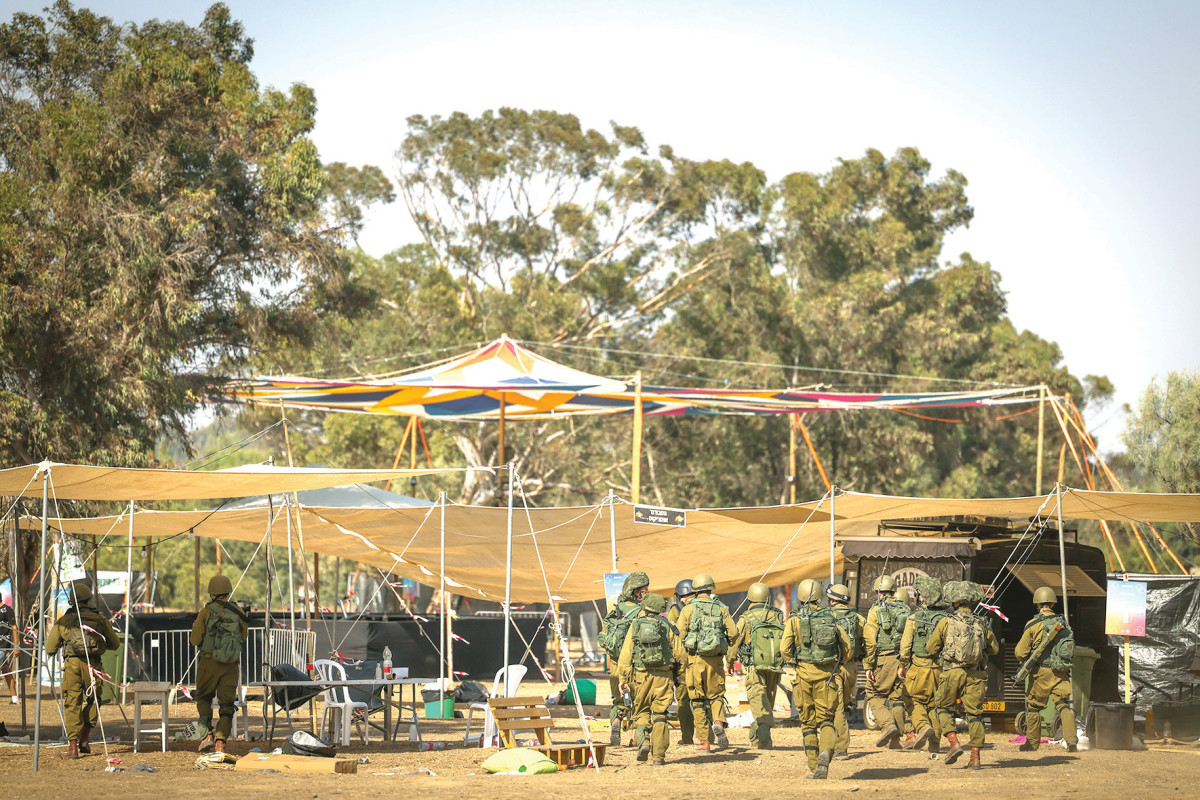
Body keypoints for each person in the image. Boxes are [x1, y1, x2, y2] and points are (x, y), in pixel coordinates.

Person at [926, 580, 1000, 770]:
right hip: (975, 675)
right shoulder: (981, 623)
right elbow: (994, 649)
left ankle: (954, 743)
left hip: (951, 672)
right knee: (975, 716)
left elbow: (931, 648)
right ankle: (975, 757)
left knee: (942, 708)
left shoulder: (946, 621)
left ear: (954, 602)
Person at [782, 579, 851, 779]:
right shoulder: (831, 618)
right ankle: (826, 752)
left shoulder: (794, 620)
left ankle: (814, 767)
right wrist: (837, 664)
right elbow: (846, 647)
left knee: (808, 723)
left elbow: (785, 649)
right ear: (819, 597)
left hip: (803, 677)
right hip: (827, 677)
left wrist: (795, 664)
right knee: (826, 719)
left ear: (801, 597)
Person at [45, 583, 119, 759]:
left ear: (72, 601)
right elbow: (115, 643)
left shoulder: (64, 621)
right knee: (94, 699)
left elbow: (49, 649)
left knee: (72, 703)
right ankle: (84, 738)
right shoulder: (99, 619)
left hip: (72, 666)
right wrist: (99, 647)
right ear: (88, 598)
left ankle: (73, 748)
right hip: (93, 666)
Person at [616, 592, 688, 765]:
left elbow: (626, 655)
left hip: (640, 676)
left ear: (645, 607)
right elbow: (681, 655)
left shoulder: (636, 625)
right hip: (664, 677)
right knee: (660, 715)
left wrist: (622, 679)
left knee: (641, 712)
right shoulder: (670, 626)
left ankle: (644, 742)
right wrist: (678, 674)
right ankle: (659, 757)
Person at [675, 573, 738, 751]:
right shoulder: (721, 608)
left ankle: (704, 742)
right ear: (711, 588)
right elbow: (733, 633)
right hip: (716, 661)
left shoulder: (688, 609)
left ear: (695, 590)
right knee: (716, 696)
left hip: (695, 660)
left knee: (697, 700)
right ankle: (718, 721)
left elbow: (679, 633)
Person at [1014, 586, 1078, 753]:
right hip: (1061, 672)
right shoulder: (1064, 625)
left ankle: (1032, 743)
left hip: (1041, 673)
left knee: (1034, 707)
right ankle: (1071, 740)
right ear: (1052, 604)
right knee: (1063, 705)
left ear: (1037, 604)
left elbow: (1020, 652)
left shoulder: (1033, 624)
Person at [192, 574, 249, 753]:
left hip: (209, 663)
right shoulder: (238, 611)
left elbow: (195, 640)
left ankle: (207, 734)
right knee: (226, 704)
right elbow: (243, 636)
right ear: (228, 590)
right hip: (231, 665)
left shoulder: (206, 612)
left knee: (203, 698)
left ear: (212, 592)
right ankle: (221, 741)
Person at [728, 582, 785, 749]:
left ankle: (765, 741)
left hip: (754, 668)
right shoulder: (778, 616)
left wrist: (730, 662)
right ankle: (756, 737)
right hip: (775, 666)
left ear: (750, 597)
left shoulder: (747, 618)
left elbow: (734, 641)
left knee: (759, 703)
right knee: (766, 702)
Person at [899, 576, 950, 753]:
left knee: (913, 700)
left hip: (918, 668)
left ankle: (921, 727)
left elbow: (905, 646)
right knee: (936, 706)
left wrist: (902, 665)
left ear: (922, 597)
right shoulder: (948, 618)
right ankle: (935, 745)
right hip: (940, 669)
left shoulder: (914, 618)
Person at [600, 571, 649, 745]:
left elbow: (605, 636)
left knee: (619, 699)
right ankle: (634, 738)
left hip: (615, 663)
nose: (647, 593)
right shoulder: (643, 611)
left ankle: (616, 721)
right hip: (635, 663)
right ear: (636, 591)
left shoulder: (616, 609)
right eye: (644, 590)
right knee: (637, 700)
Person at [864, 574, 910, 748]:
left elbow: (871, 640)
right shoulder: (905, 610)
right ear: (893, 591)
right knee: (896, 698)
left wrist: (868, 665)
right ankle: (896, 740)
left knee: (873, 694)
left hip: (882, 660)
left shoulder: (876, 611)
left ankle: (888, 726)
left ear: (880, 593)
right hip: (901, 661)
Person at [826, 582, 865, 760]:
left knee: (837, 708)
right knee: (845, 704)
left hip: (834, 667)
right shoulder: (857, 618)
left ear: (832, 600)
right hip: (852, 667)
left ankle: (841, 749)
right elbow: (869, 642)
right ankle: (839, 742)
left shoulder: (826, 617)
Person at [667, 579, 695, 745]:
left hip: (684, 661)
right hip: (705, 660)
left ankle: (687, 737)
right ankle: (708, 736)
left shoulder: (676, 609)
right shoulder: (707, 607)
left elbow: (670, 633)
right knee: (705, 698)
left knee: (684, 699)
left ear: (680, 595)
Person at [1, 601, 17, 703]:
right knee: (6, 670)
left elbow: (14, 627)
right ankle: (14, 698)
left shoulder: (7, 610)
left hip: (3, 645)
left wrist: (16, 646)